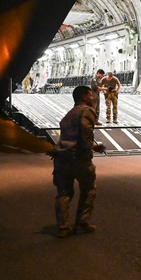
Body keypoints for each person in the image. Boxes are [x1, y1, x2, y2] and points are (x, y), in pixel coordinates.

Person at [51, 85, 106, 238]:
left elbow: (72, 136)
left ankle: (63, 227)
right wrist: (90, 150)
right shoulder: (86, 110)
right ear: (84, 97)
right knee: (89, 189)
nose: (93, 98)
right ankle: (82, 222)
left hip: (61, 157)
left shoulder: (69, 114)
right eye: (90, 95)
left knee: (64, 192)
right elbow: (85, 133)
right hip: (78, 158)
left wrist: (93, 146)